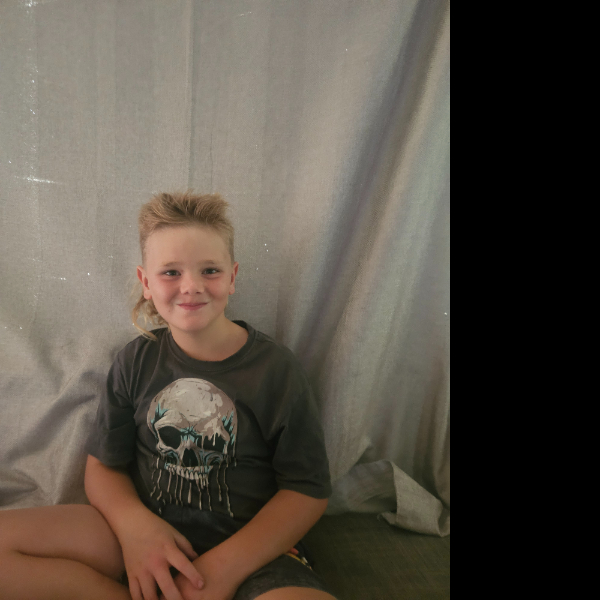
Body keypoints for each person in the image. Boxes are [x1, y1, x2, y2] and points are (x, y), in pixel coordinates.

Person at [0, 192, 336, 600]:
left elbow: (306, 490)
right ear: (146, 282)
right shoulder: (136, 360)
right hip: (141, 537)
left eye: (209, 270)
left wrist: (222, 570)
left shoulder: (277, 371)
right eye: (171, 272)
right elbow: (103, 467)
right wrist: (135, 528)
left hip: (251, 553)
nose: (191, 286)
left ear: (232, 277)